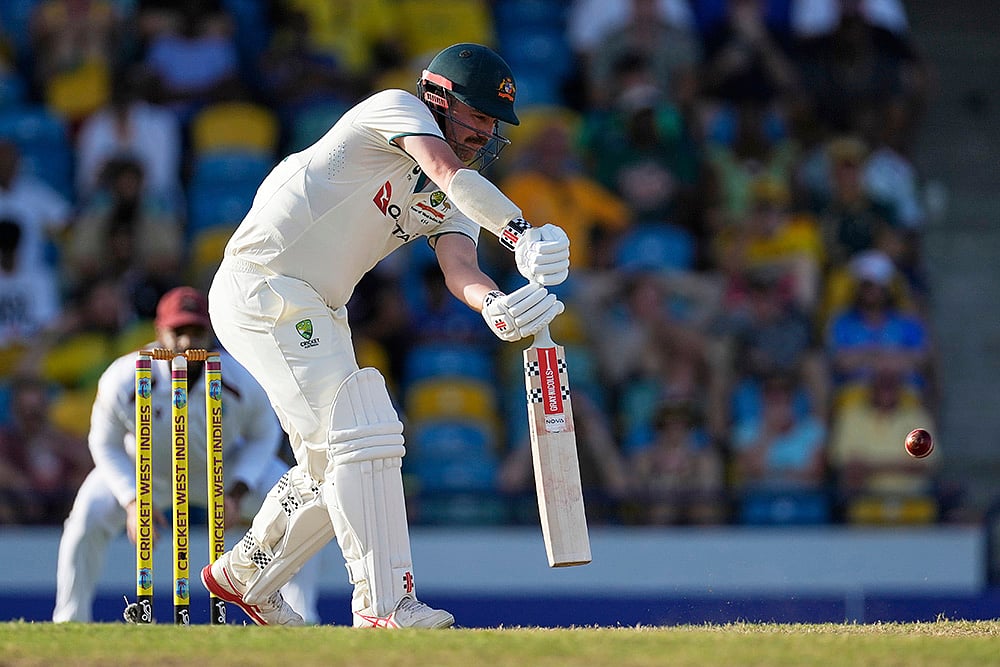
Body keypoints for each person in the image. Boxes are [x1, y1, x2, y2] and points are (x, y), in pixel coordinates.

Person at [203, 43, 570, 628]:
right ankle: (384, 606)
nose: (484, 132)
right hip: (264, 283)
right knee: (364, 431)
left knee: (339, 459)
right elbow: (449, 173)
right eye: (476, 115)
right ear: (437, 98)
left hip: (320, 306)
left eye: (492, 122)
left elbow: (460, 271)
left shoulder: (454, 192)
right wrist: (521, 231)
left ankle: (247, 572)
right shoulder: (394, 109)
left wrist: (495, 306)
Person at [52, 286, 318, 624]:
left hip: (222, 473)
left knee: (296, 510)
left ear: (209, 332)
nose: (188, 341)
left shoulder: (240, 378)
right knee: (86, 517)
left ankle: (303, 620)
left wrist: (236, 491)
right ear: (159, 331)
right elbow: (104, 443)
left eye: (196, 330)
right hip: (148, 472)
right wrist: (133, 500)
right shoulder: (125, 377)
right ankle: (69, 619)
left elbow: (264, 434)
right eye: (179, 331)